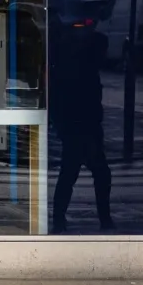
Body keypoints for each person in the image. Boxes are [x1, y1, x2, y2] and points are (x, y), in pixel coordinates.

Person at [49, 16, 113, 232]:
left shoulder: (64, 58)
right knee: (95, 173)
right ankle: (103, 219)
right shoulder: (80, 60)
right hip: (83, 123)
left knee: (71, 172)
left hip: (77, 123)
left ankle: (60, 217)